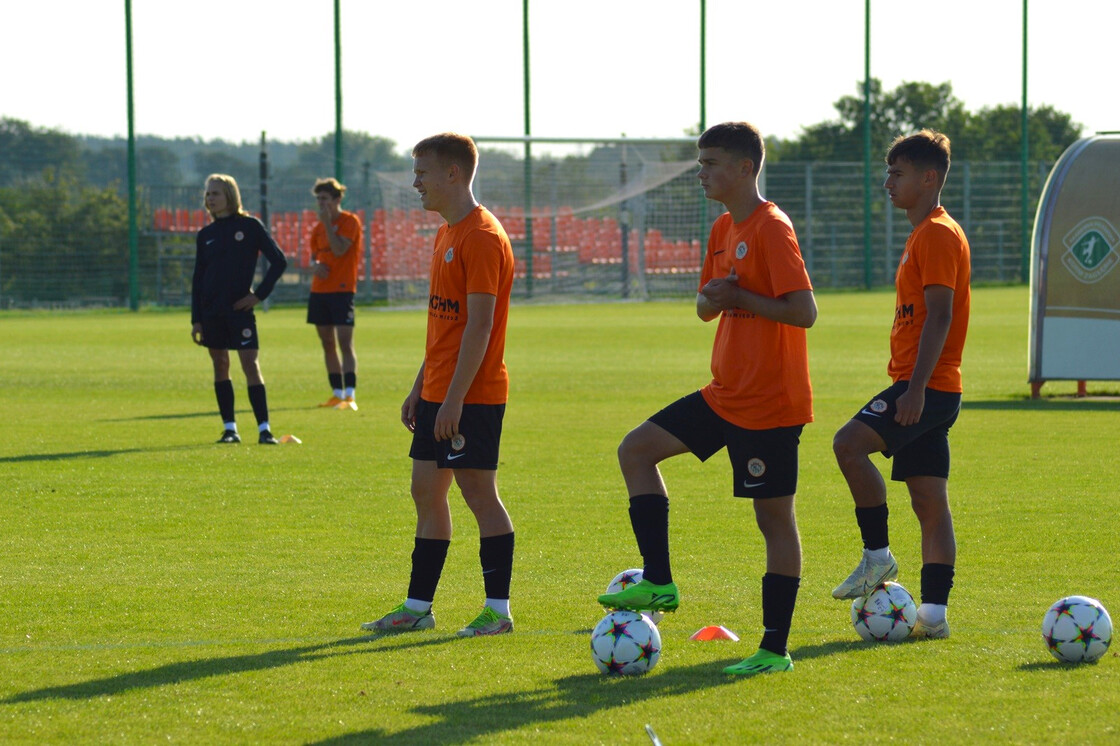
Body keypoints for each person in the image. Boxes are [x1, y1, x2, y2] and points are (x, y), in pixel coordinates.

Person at [596, 121, 817, 676]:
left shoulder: (773, 228)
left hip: (769, 405)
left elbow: (804, 311)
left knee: (774, 522)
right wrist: (718, 297)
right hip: (723, 395)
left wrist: (739, 293)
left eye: (711, 162)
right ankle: (660, 582)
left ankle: (773, 649)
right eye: (700, 162)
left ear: (745, 168)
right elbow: (703, 306)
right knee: (636, 450)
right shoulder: (722, 228)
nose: (702, 172)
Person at [362, 133, 516, 638]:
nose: (414, 183)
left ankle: (498, 611)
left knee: (478, 493)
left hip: (471, 395)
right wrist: (420, 386)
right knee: (426, 491)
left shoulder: (482, 236)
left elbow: (479, 326)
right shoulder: (447, 233)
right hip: (438, 392)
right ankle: (417, 608)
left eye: (422, 172)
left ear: (453, 173)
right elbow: (443, 325)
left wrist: (452, 399)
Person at [830, 130, 971, 640]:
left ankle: (878, 557)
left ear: (929, 178)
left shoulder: (936, 232)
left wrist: (913, 389)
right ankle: (933, 617)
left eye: (898, 174)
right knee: (929, 502)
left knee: (848, 444)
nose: (887, 183)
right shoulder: (926, 232)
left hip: (926, 387)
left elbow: (939, 316)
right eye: (888, 173)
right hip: (933, 386)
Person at [190, 173, 288, 445]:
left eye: (216, 193)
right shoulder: (205, 235)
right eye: (208, 194)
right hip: (211, 313)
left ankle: (264, 429)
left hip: (239, 311)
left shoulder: (250, 226)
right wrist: (196, 320)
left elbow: (279, 262)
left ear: (230, 196)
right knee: (220, 365)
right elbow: (198, 279)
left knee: (250, 365)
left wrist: (258, 295)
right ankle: (230, 429)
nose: (210, 198)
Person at [307, 177, 364, 410]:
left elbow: (340, 250)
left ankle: (350, 394)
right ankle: (336, 392)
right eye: (318, 199)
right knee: (327, 343)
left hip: (342, 290)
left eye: (325, 199)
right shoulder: (318, 228)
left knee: (344, 342)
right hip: (319, 291)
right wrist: (314, 266)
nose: (321, 204)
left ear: (337, 199)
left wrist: (329, 224)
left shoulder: (349, 222)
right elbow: (313, 256)